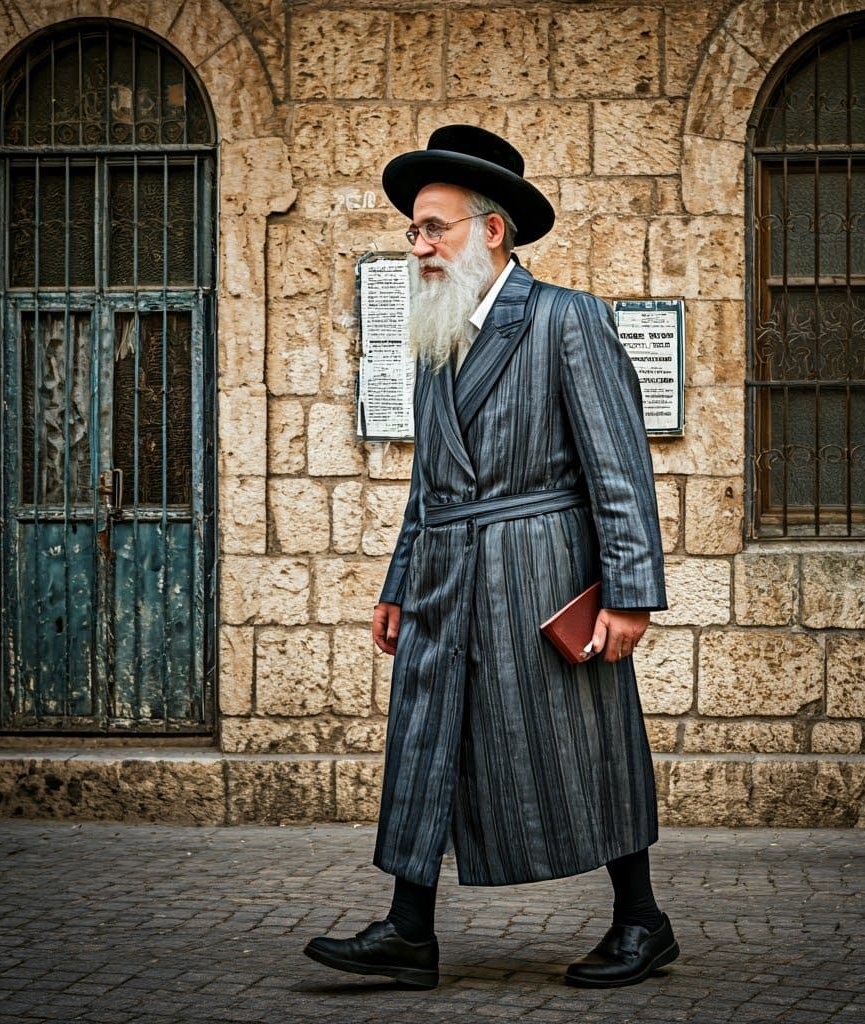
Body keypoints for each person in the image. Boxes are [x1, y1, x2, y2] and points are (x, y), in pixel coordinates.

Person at [304, 125, 676, 990]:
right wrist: (399, 581)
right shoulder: (435, 338)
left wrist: (630, 594)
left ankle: (642, 921)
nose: (419, 244)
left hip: (541, 573)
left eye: (434, 227)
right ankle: (407, 930)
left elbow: (618, 468)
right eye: (413, 232)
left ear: (492, 230)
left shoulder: (567, 319)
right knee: (426, 736)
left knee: (587, 742)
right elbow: (426, 482)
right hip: (445, 574)